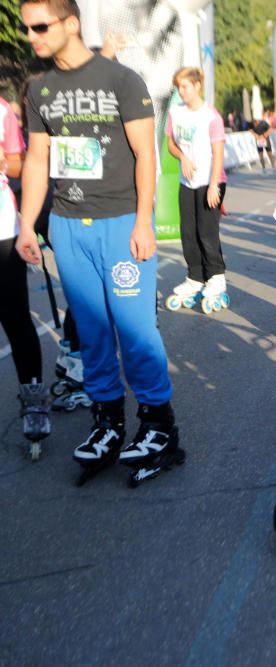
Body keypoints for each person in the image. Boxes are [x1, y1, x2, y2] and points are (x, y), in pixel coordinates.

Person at [16, 0, 180, 484]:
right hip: (68, 226)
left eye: (40, 26)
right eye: (27, 28)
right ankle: (108, 422)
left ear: (71, 24)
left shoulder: (120, 80)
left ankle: (159, 426)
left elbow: (144, 154)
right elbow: (37, 160)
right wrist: (28, 224)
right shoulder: (40, 90)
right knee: (91, 332)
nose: (33, 35)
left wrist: (144, 222)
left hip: (121, 221)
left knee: (134, 330)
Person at [0, 92, 50, 449]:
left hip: (2, 231)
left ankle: (34, 401)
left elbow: (19, 165)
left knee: (15, 318)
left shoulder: (2, 111)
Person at [165, 66, 229, 313]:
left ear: (197, 86)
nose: (181, 91)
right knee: (188, 232)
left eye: (185, 86)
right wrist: (182, 156)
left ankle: (216, 277)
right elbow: (171, 142)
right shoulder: (175, 112)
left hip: (211, 180)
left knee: (206, 232)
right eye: (179, 87)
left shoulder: (210, 116)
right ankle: (195, 277)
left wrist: (214, 185)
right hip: (187, 181)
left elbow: (219, 153)